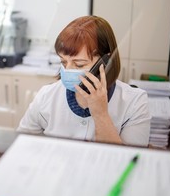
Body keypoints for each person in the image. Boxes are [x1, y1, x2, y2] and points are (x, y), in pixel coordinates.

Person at [17, 15, 151, 147]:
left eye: (79, 64)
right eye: (63, 62)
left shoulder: (135, 102)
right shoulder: (47, 95)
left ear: (105, 62)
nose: (68, 69)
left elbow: (126, 162)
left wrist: (101, 114)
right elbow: (21, 145)